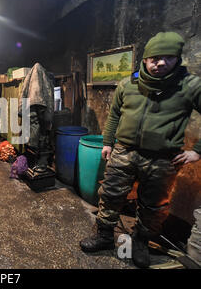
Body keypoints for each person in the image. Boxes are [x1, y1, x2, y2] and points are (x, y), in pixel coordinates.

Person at [79, 32, 201, 268]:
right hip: (124, 151)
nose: (161, 63)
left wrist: (198, 151)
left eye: (169, 58)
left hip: (163, 159)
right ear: (145, 59)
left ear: (178, 59)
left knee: (154, 205)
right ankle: (104, 236)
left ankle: (141, 243)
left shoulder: (188, 86)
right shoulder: (129, 84)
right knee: (111, 194)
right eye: (155, 58)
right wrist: (107, 142)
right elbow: (115, 114)